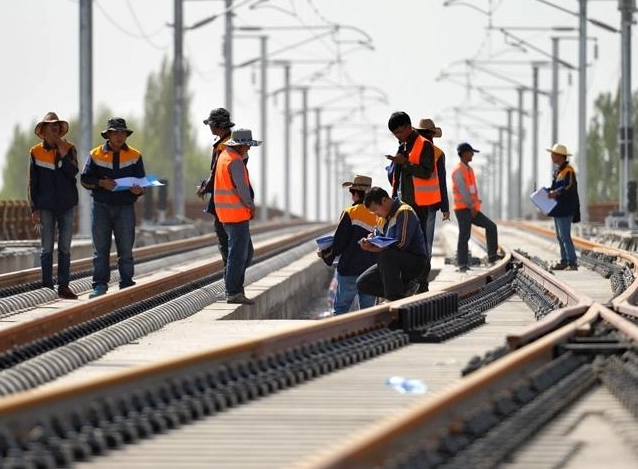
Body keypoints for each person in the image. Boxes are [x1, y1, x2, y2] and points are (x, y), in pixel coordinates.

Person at [81, 118, 146, 298]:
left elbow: (142, 183)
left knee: (126, 249)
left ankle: (126, 284)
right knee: (100, 249)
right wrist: (101, 183)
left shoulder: (135, 155)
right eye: (116, 132)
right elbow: (85, 179)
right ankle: (100, 285)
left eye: (122, 133)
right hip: (101, 207)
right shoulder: (95, 155)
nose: (119, 136)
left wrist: (139, 190)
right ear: (108, 134)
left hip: (125, 207)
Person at [28, 112, 79, 299]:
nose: (55, 128)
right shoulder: (35, 152)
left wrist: (64, 153)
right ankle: (47, 287)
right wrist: (34, 208)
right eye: (51, 126)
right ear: (44, 130)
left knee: (65, 247)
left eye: (57, 126)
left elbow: (73, 171)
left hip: (66, 205)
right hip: (46, 206)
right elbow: (32, 182)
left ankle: (63, 286)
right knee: (47, 247)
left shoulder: (70, 148)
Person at [385, 111, 434, 293]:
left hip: (418, 204)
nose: (398, 136)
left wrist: (404, 163)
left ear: (408, 126)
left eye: (399, 132)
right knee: (404, 243)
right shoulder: (404, 145)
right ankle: (409, 281)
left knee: (418, 244)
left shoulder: (423, 144)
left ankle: (421, 283)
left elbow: (426, 172)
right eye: (395, 134)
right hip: (403, 203)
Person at [213, 128, 262, 305]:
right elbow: (242, 188)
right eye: (247, 146)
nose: (248, 150)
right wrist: (250, 204)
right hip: (237, 213)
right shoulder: (235, 161)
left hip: (225, 214)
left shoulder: (223, 157)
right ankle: (233, 292)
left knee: (246, 253)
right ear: (240, 145)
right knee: (238, 255)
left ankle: (232, 288)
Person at [318, 174, 378, 314]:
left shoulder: (350, 212)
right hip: (371, 270)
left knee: (341, 310)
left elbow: (339, 243)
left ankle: (340, 334)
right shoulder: (378, 213)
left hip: (349, 269)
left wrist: (325, 253)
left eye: (352, 193)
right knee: (368, 312)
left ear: (356, 194)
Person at [357, 187, 429, 302]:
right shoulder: (381, 218)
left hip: (414, 261)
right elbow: (378, 237)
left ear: (385, 200)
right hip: (391, 261)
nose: (376, 214)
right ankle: (404, 291)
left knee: (387, 254)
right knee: (363, 283)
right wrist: (370, 243)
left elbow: (402, 244)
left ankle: (393, 299)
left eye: (376, 210)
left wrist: (377, 247)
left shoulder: (404, 211)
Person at [452, 142, 499, 272]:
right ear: (464, 153)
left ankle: (492, 256)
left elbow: (472, 190)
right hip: (463, 208)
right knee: (464, 235)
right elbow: (463, 191)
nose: (473, 155)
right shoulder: (458, 171)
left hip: (472, 208)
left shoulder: (469, 169)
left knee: (491, 226)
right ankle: (462, 264)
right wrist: (471, 206)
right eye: (471, 152)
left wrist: (474, 206)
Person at [196, 108, 235, 266]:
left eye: (211, 124)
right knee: (232, 244)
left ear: (218, 125)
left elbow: (217, 172)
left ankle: (231, 286)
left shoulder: (224, 146)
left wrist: (204, 188)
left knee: (226, 244)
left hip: (224, 201)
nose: (210, 127)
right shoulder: (229, 142)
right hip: (229, 199)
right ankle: (232, 285)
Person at [414, 118, 450, 259]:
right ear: (432, 134)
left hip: (412, 203)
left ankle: (413, 276)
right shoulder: (437, 153)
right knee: (427, 240)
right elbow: (441, 181)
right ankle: (424, 273)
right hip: (430, 203)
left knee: (412, 239)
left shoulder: (410, 150)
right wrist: (445, 207)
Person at [546, 143, 580, 270]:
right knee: (560, 237)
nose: (551, 156)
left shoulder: (568, 171)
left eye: (553, 154)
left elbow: (569, 187)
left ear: (560, 156)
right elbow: (554, 188)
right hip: (558, 209)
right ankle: (564, 261)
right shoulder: (558, 172)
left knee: (565, 236)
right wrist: (546, 192)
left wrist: (556, 192)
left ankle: (573, 262)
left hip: (566, 208)